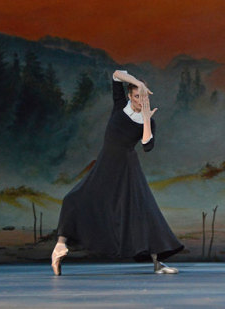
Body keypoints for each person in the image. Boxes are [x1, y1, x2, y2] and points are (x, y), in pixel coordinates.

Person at [51, 70, 184, 275]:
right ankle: (60, 246)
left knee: (144, 210)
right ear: (130, 96)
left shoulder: (148, 120)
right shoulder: (120, 106)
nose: (141, 100)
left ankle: (158, 263)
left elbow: (147, 146)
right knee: (73, 199)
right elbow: (116, 75)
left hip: (128, 168)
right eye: (137, 96)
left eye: (144, 97)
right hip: (106, 165)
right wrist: (138, 82)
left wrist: (147, 119)